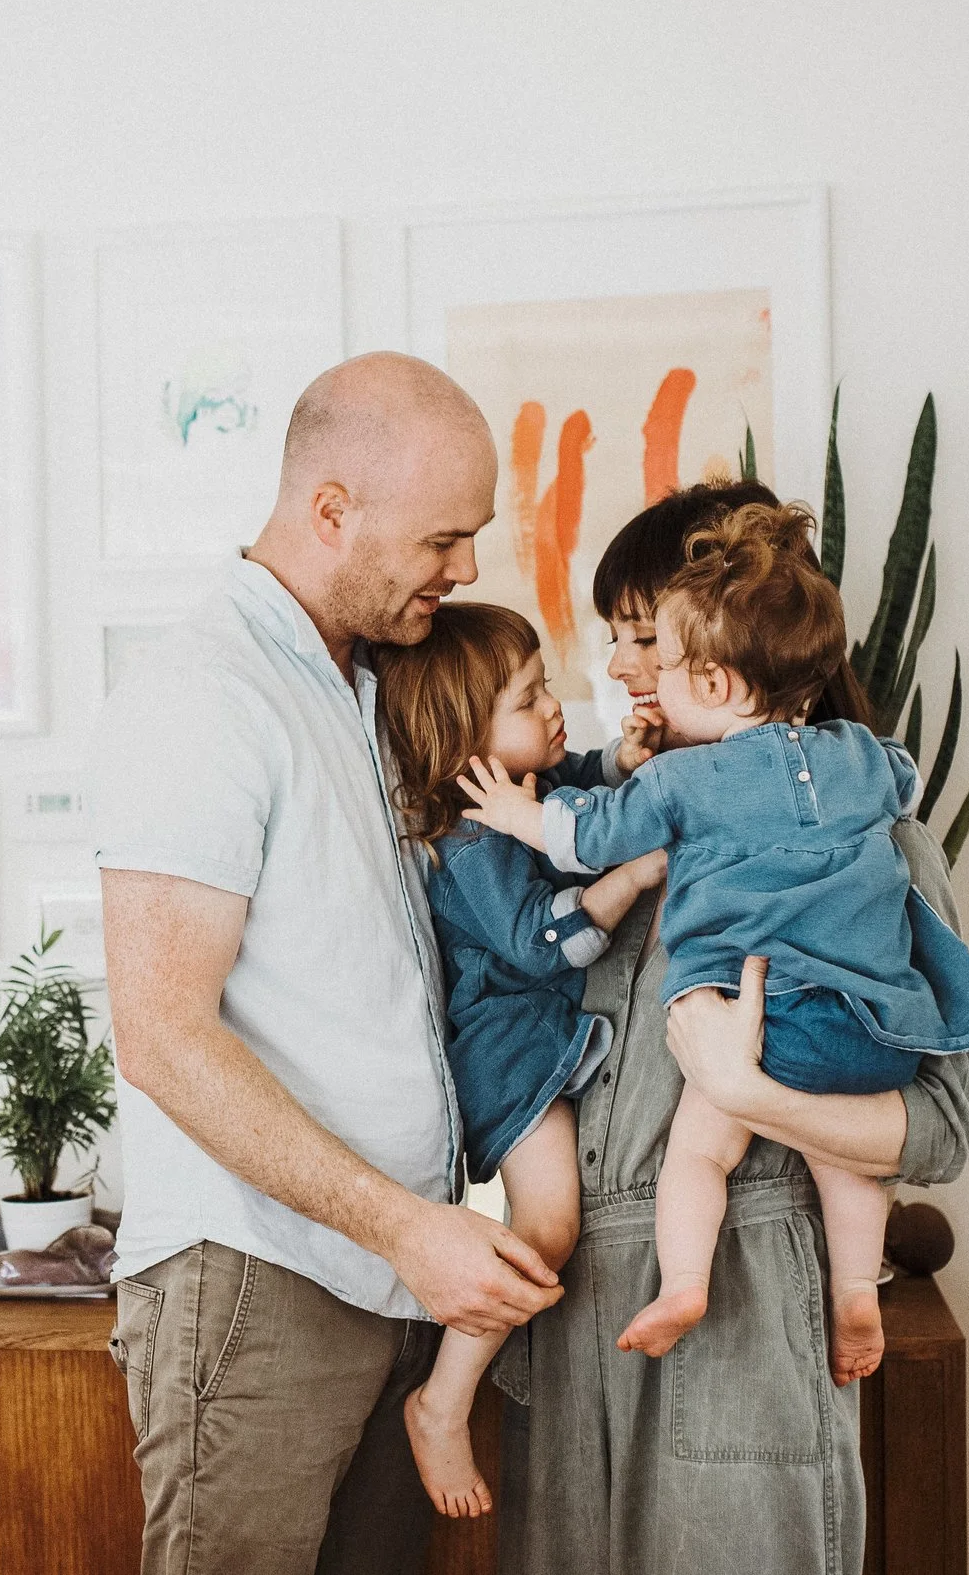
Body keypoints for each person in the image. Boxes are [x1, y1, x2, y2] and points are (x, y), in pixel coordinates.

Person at [90, 352, 563, 1574]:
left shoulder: (359, 685)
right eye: (442, 538)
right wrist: (408, 1228)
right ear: (332, 509)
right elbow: (162, 1034)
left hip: (378, 1277)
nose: (464, 569)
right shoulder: (206, 692)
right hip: (261, 1282)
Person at [491, 481, 969, 1575]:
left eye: (637, 639)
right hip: (574, 1328)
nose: (617, 669)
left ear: (719, 657)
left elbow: (942, 1129)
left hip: (747, 1323)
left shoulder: (874, 845)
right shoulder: (590, 847)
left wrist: (756, 1097)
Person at [370, 603, 670, 1516]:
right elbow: (545, 944)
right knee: (547, 1231)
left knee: (560, 1236)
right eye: (528, 698)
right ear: (467, 746)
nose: (553, 708)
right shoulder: (469, 841)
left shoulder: (518, 791)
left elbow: (577, 780)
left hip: (545, 1046)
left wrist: (625, 763)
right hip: (509, 1058)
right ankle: (444, 1398)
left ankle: (460, 1383)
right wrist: (630, 874)